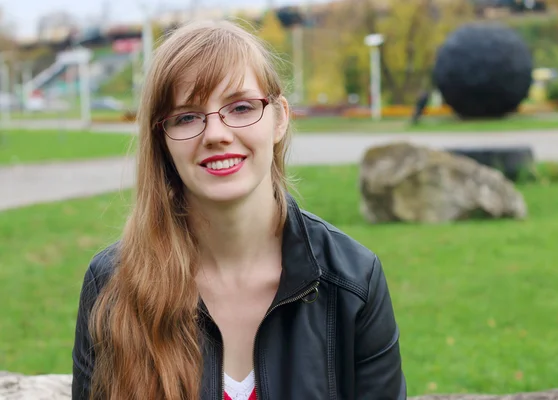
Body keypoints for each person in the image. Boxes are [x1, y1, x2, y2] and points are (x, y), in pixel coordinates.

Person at [72, 19, 407, 400]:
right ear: (161, 140)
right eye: (186, 116)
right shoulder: (112, 285)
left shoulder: (353, 281)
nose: (216, 133)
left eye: (242, 107)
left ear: (279, 118)